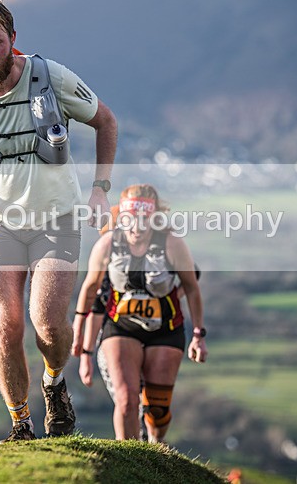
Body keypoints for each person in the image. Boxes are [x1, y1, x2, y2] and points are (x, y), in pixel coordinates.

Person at [0, 0, 118, 442]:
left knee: (47, 323)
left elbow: (106, 123)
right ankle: (21, 426)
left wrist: (100, 189)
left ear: (13, 40)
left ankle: (54, 383)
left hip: (57, 218)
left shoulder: (49, 78)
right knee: (5, 323)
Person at [72, 184, 207, 442]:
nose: (136, 226)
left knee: (157, 409)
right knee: (125, 400)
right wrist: (80, 336)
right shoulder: (108, 244)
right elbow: (92, 292)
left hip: (165, 329)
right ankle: (131, 457)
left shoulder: (172, 244)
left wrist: (198, 335)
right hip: (121, 327)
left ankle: (156, 448)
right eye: (129, 219)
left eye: (144, 219)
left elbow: (192, 287)